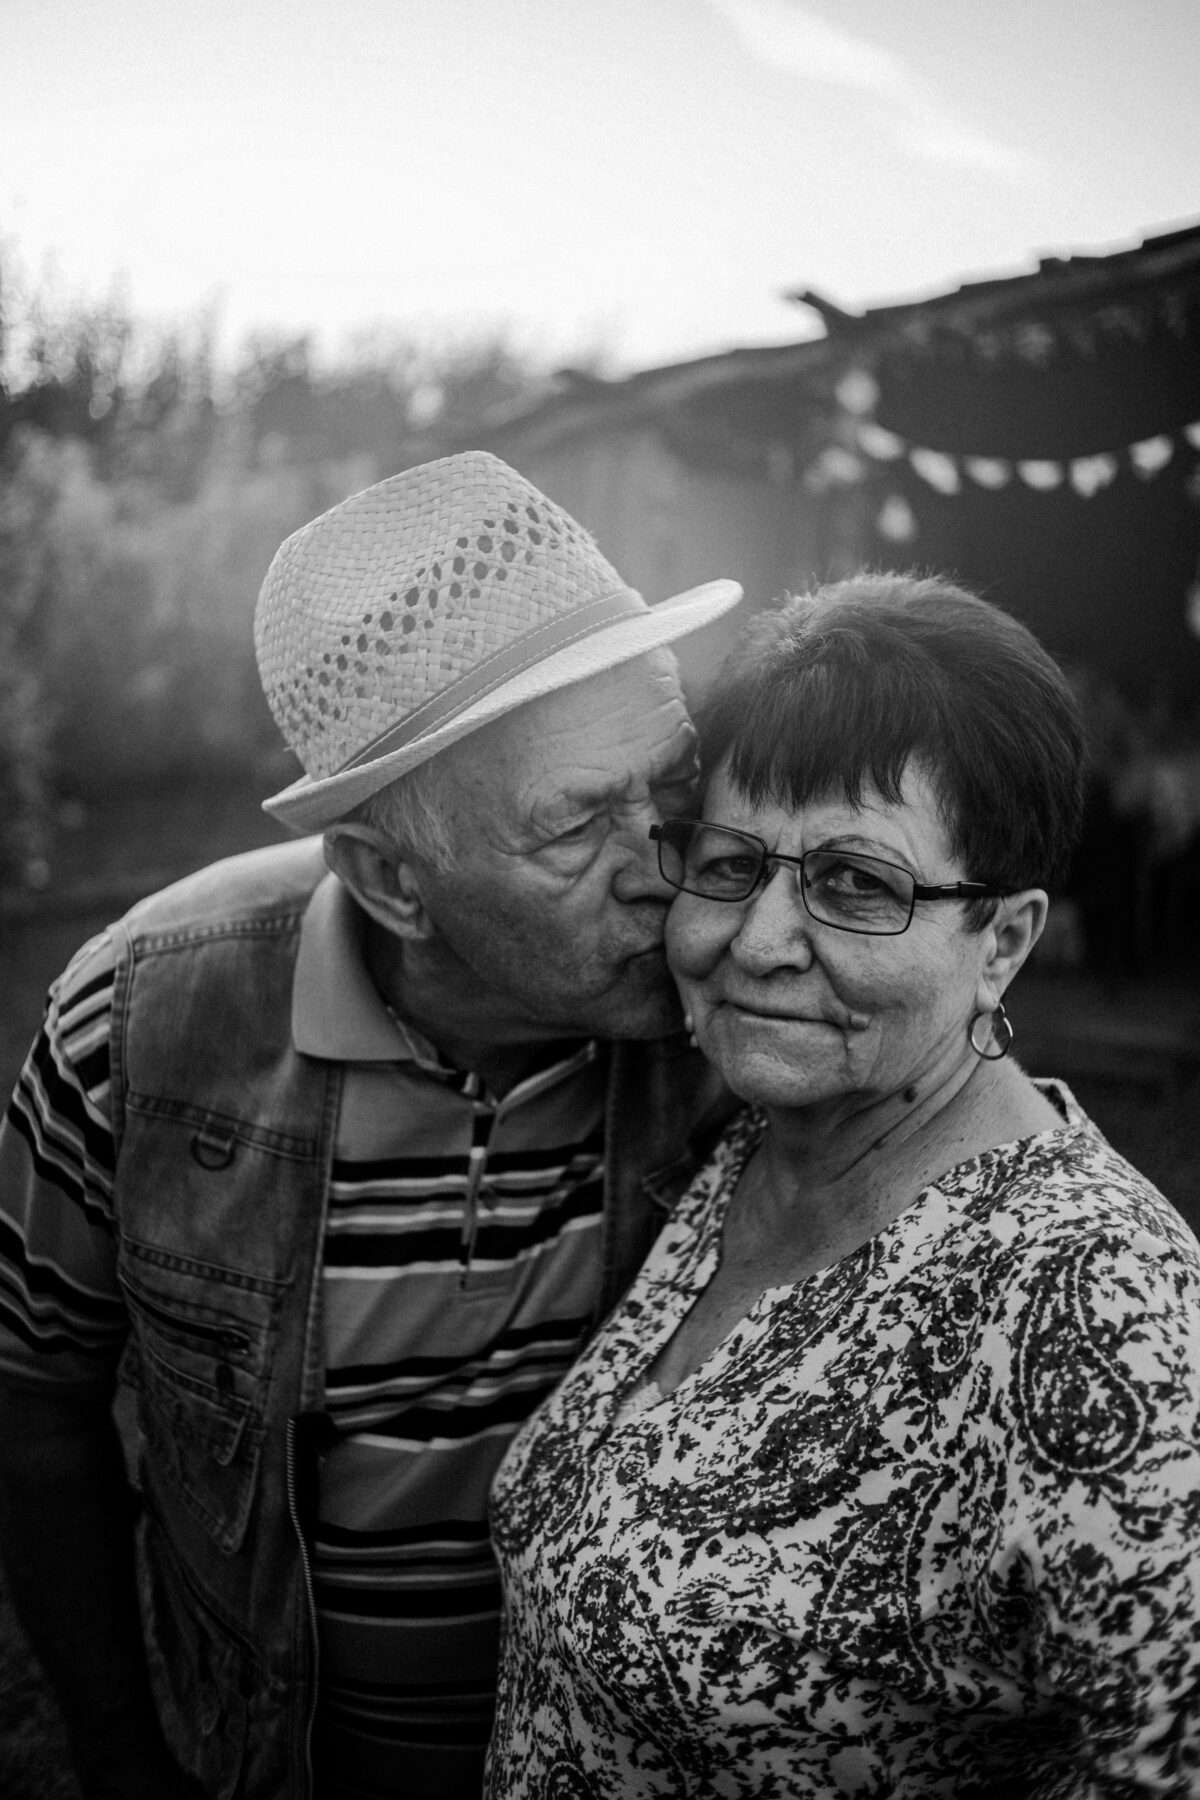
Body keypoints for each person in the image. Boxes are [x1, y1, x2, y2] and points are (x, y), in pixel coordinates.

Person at [0, 451, 743, 1800]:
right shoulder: (133, 1031)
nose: (666, 869)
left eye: (670, 782)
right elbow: (33, 1407)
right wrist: (119, 1752)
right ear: (394, 879)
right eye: (577, 824)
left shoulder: (746, 1012)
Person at [487, 574, 1200, 1798]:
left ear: (1007, 940)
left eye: (858, 884)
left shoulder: (1096, 1304)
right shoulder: (736, 1154)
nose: (756, 940)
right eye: (729, 864)